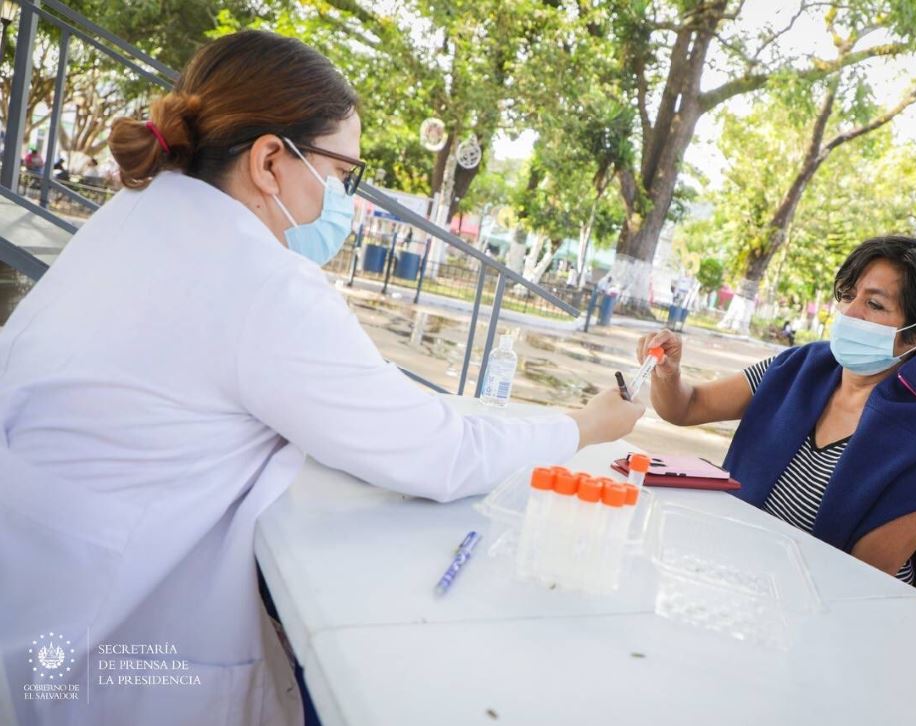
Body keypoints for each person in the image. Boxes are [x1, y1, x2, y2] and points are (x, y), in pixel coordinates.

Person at [0, 30, 644, 726]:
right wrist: (583, 426)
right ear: (269, 160)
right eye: (340, 175)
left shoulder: (139, 212)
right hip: (106, 645)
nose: (342, 200)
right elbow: (437, 452)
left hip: (39, 593)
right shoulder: (260, 282)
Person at [637, 236, 916, 605]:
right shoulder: (802, 368)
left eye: (874, 304)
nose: (849, 313)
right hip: (740, 573)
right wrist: (668, 374)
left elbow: (854, 587)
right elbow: (687, 407)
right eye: (848, 295)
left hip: (821, 611)